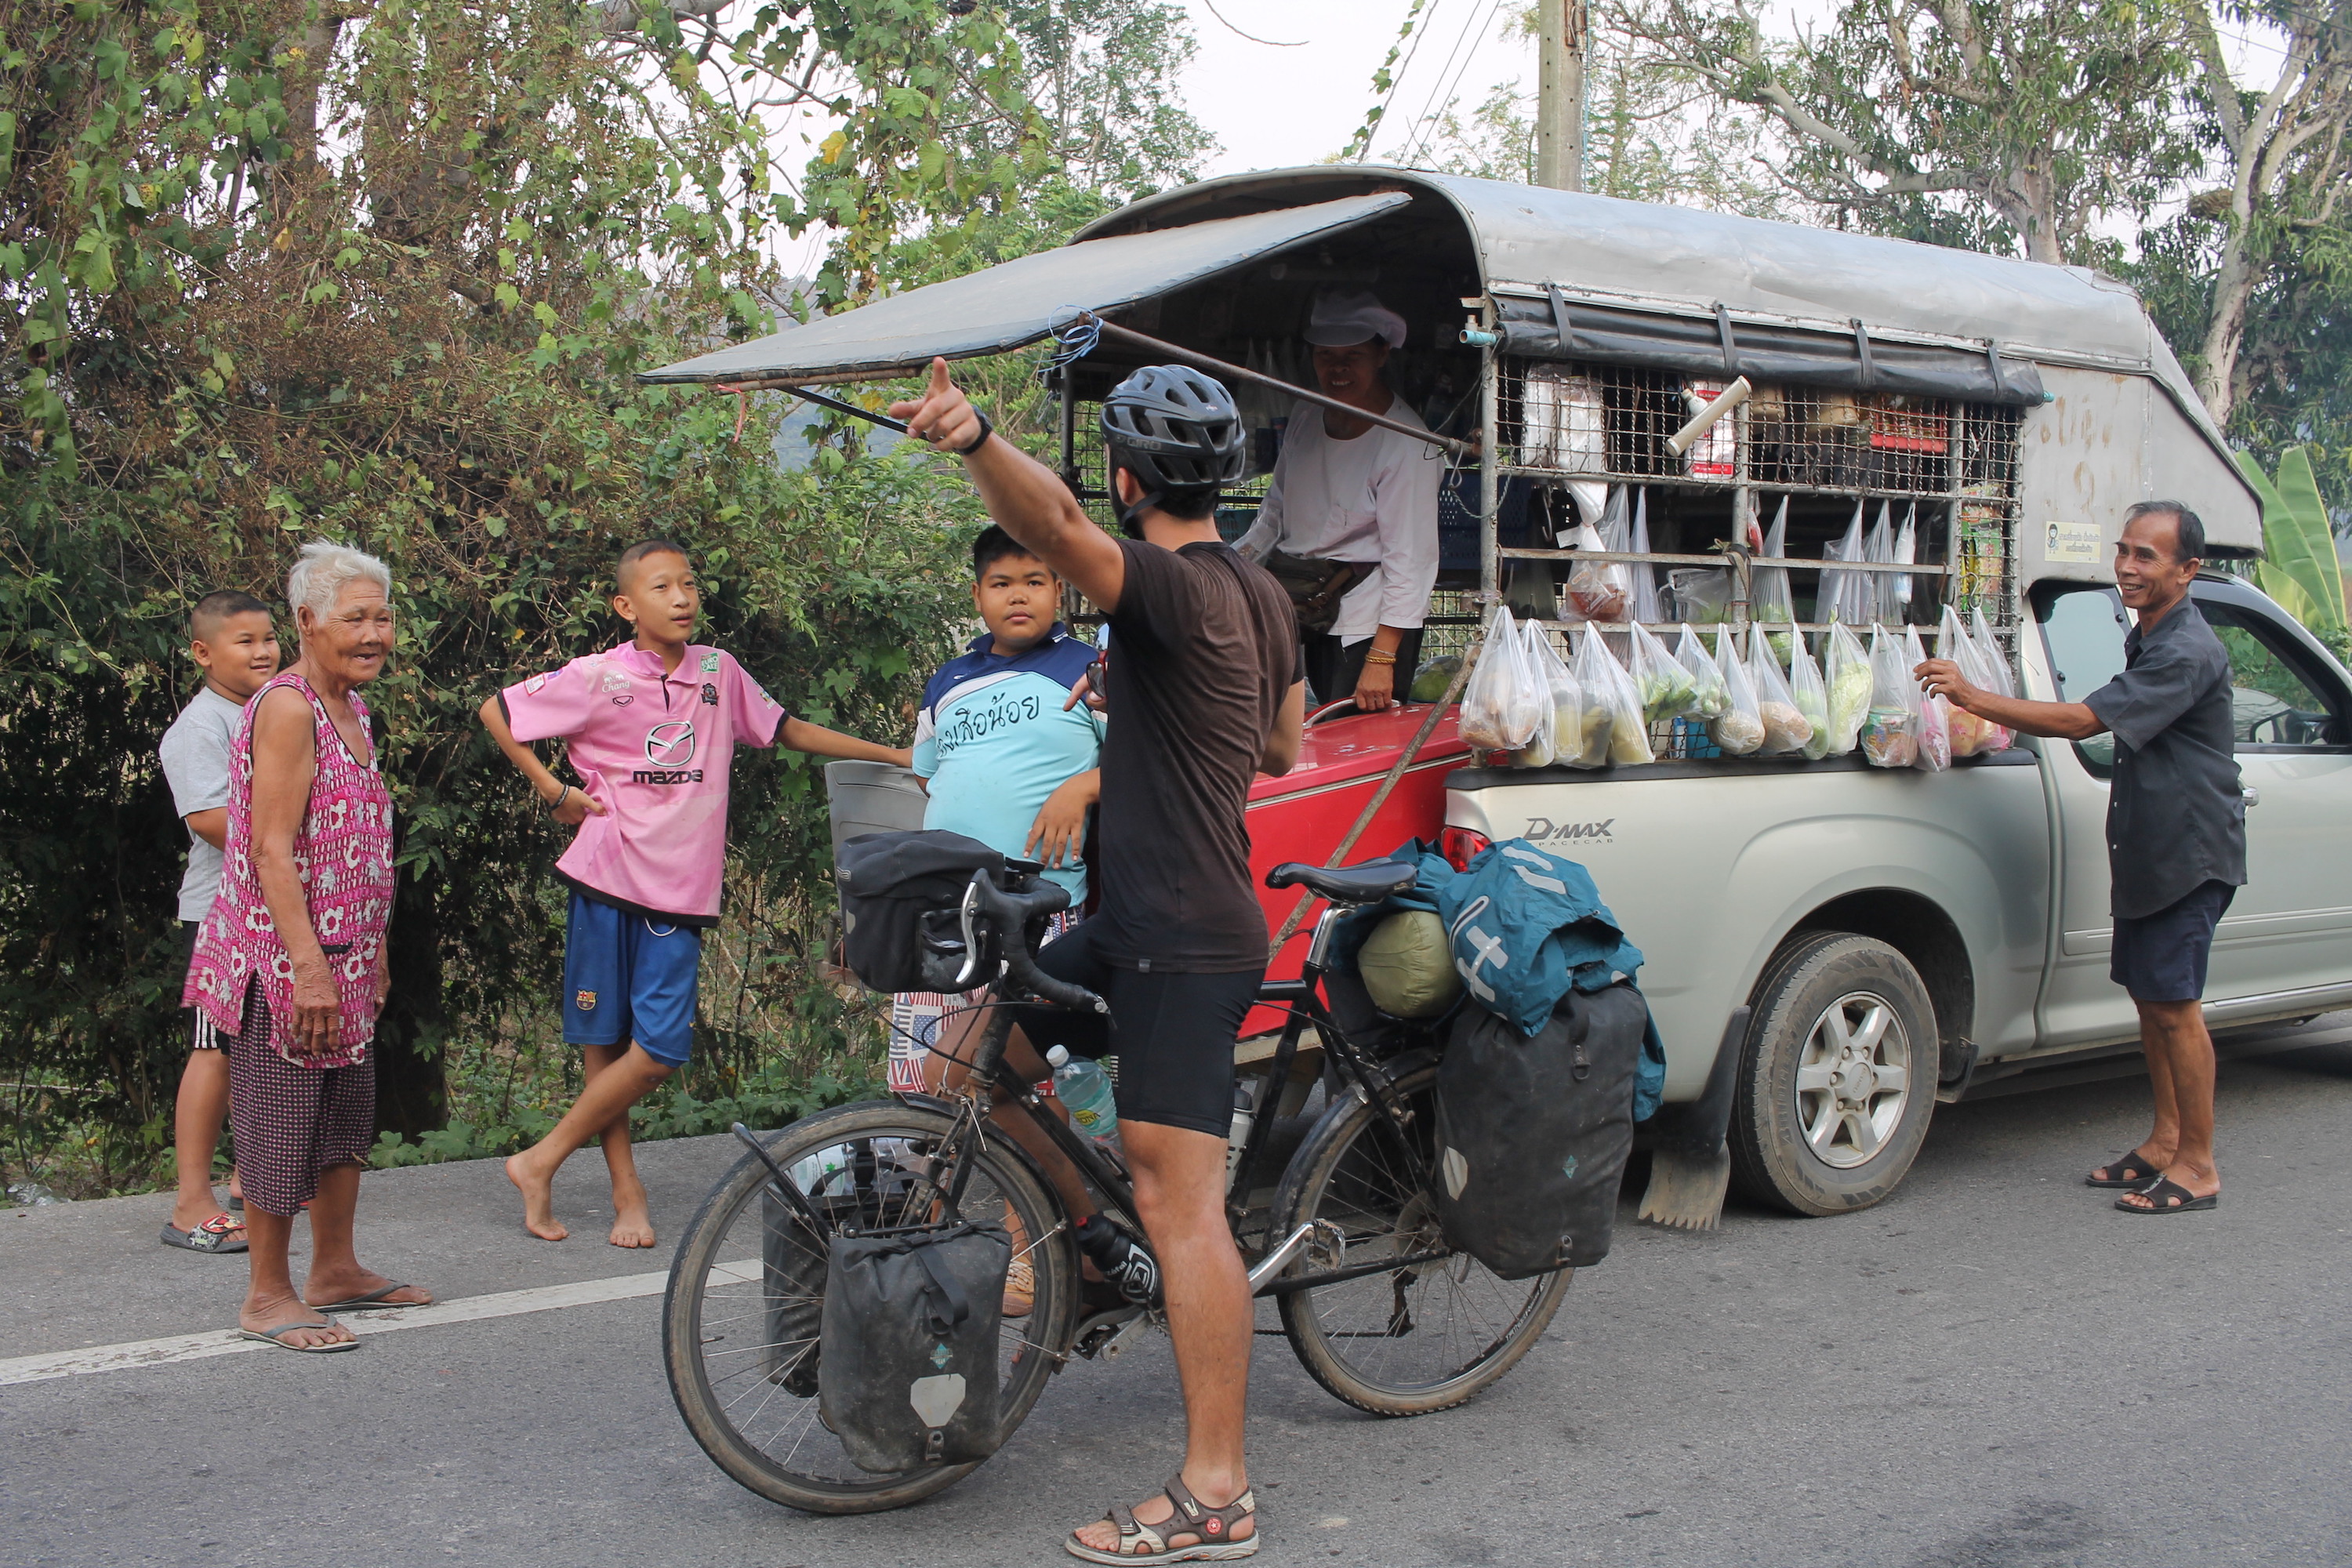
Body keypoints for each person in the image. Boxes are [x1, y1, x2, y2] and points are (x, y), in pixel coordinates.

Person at [891, 357, 1305, 1563]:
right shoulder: (1260, 594)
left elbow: (1058, 527)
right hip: (1132, 923)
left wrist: (974, 437)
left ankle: (1217, 1491)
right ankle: (1092, 1238)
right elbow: (1281, 747)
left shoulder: (1170, 590)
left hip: (1183, 943)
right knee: (976, 1055)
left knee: (1188, 1208)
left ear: (1127, 477)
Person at [486, 540, 911, 1248]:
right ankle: (627, 1192)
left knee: (656, 1052)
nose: (682, 597)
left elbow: (786, 729)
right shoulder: (597, 677)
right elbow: (498, 712)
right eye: (662, 587)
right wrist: (553, 789)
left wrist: (891, 755)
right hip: (605, 872)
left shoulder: (719, 671)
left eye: (689, 583)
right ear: (627, 606)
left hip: (678, 890)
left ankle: (541, 1158)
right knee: (605, 1042)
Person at [1918, 500, 2245, 1214]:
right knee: (2151, 1002)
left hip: (2187, 856)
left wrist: (1974, 695)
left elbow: (2084, 720)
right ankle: (2165, 1141)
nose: (2127, 567)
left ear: (2187, 571)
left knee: (2177, 1010)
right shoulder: (2152, 633)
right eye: (2124, 551)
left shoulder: (2188, 648)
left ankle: (2199, 1165)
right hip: (2151, 850)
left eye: (2147, 557)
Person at [183, 541, 432, 1352]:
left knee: (342, 1117)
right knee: (279, 1120)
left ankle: (335, 1269)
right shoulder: (290, 706)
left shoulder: (351, 707)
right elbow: (270, 848)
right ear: (307, 621)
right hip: (288, 958)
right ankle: (266, 1292)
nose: (374, 633)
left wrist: (375, 948)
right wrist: (310, 966)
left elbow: (357, 841)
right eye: (355, 617)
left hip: (348, 956)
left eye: (383, 616)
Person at [888, 524, 1103, 1101]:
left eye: (1034, 581)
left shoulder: (1092, 670)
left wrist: (1084, 785)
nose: (1018, 595)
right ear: (978, 595)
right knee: (935, 1077)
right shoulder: (948, 681)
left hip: (1042, 904)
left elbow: (1149, 759)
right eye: (1001, 583)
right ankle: (932, 1196)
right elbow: (926, 771)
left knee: (1032, 1074)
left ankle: (1031, 1196)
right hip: (947, 905)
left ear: (1059, 591)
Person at [1234, 289, 1441, 713]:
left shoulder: (1408, 444)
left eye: (1353, 355)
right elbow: (1274, 511)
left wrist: (1382, 660)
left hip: (1367, 625)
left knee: (1358, 740)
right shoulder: (1308, 415)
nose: (1338, 368)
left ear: (1381, 355)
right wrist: (1233, 564)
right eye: (1326, 355)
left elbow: (1412, 559)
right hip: (1303, 604)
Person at [157, 590, 281, 1254]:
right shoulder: (201, 728)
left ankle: (247, 1180)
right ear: (204, 653)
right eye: (244, 641)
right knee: (217, 1052)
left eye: (268, 637)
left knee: (262, 1050)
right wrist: (294, 833)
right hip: (222, 917)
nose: (263, 651)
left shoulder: (273, 709)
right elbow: (207, 821)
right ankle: (189, 1203)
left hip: (276, 908)